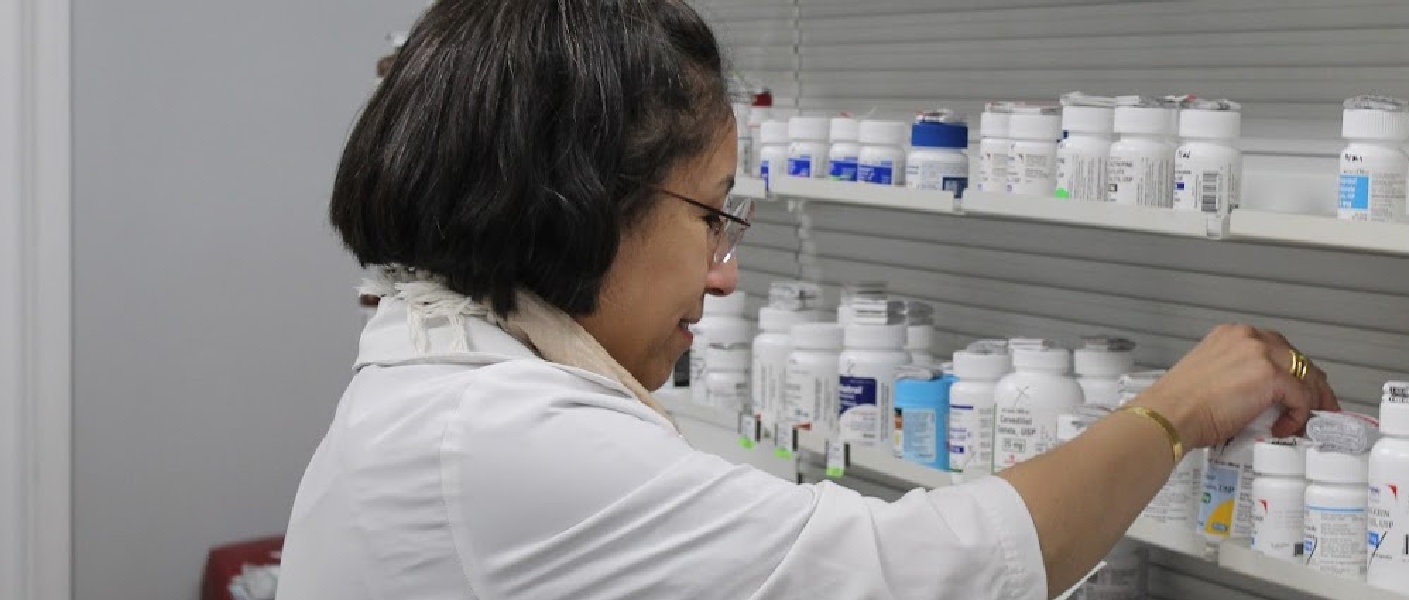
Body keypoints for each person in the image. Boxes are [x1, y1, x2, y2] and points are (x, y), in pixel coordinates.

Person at [276, 1, 1341, 598]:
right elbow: (907, 575)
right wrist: (1173, 413)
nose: (724, 270)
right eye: (712, 213)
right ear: (587, 203)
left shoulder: (450, 383)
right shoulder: (496, 435)